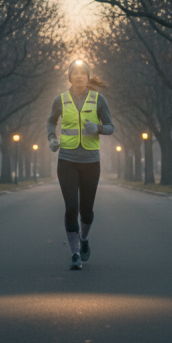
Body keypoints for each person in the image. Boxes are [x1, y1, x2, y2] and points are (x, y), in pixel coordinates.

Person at [47, 59, 114, 270]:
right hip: (66, 160)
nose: (78, 76)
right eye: (74, 73)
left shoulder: (98, 99)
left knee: (86, 210)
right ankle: (75, 253)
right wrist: (51, 138)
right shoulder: (60, 100)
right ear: (69, 77)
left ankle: (84, 238)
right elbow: (51, 121)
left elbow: (111, 127)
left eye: (82, 73)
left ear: (87, 77)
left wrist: (98, 128)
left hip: (91, 162)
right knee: (71, 208)